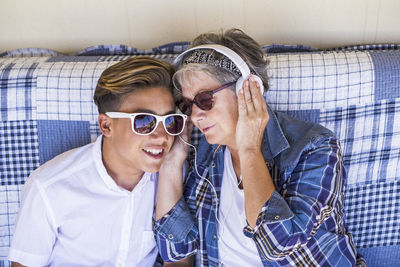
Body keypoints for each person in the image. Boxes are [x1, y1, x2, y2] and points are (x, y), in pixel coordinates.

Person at [154, 29, 365, 266]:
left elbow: (277, 245)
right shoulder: (203, 152)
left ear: (248, 88)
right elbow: (176, 255)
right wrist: (171, 164)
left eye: (205, 100)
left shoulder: (315, 147)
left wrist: (249, 150)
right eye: (188, 104)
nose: (195, 115)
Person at [8, 56, 192, 266]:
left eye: (170, 121)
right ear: (106, 125)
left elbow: (178, 261)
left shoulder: (174, 172)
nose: (161, 136)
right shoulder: (49, 187)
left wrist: (172, 168)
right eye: (143, 121)